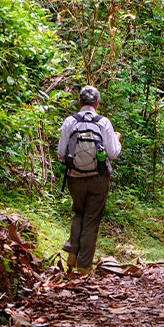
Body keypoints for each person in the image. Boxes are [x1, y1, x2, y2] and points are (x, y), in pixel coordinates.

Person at [58, 85, 121, 275]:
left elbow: (62, 154)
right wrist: (117, 138)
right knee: (92, 219)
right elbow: (113, 152)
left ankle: (72, 258)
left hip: (74, 178)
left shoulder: (70, 121)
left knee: (78, 213)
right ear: (97, 103)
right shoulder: (104, 122)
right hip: (98, 179)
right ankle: (84, 267)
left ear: (79, 102)